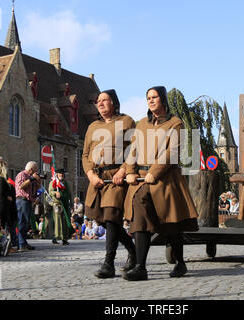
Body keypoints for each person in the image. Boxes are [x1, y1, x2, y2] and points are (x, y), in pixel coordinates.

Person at [124, 86, 199, 281]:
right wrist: (130, 171)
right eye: (148, 97)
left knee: (171, 224)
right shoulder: (141, 124)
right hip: (141, 181)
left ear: (163, 99)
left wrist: (155, 171)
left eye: (154, 97)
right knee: (139, 220)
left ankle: (180, 262)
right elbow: (132, 151)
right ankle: (140, 266)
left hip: (166, 179)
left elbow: (172, 152)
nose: (150, 100)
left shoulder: (176, 124)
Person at [82, 89, 137, 279]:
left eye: (105, 100)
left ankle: (109, 264)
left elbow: (133, 149)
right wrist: (90, 174)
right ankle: (132, 249)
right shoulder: (92, 127)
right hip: (97, 177)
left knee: (112, 215)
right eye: (98, 101)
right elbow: (85, 155)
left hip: (116, 177)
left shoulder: (126, 121)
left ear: (114, 102)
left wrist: (123, 170)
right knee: (101, 219)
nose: (101, 103)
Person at [15, 161, 41, 251]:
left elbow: (37, 189)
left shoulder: (32, 177)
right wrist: (31, 179)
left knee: (26, 223)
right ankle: (21, 244)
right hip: (22, 200)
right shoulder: (22, 175)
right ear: (30, 170)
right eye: (35, 170)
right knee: (22, 222)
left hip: (29, 201)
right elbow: (21, 186)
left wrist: (38, 181)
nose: (36, 171)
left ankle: (24, 242)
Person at [48, 169, 73, 245]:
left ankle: (64, 238)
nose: (61, 175)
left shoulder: (66, 183)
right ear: (57, 174)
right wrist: (56, 192)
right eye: (59, 174)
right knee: (57, 222)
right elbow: (50, 192)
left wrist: (71, 203)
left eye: (62, 174)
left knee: (65, 222)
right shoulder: (53, 182)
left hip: (65, 204)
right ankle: (55, 237)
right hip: (57, 204)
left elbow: (70, 194)